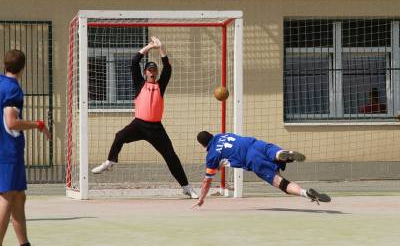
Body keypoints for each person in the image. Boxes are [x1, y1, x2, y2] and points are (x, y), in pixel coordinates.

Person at [91, 36, 198, 198]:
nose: (152, 72)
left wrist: (161, 48)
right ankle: (110, 161)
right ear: (145, 73)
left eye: (154, 70)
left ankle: (186, 187)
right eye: (149, 70)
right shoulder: (139, 84)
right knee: (120, 136)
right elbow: (134, 62)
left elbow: (168, 68)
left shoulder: (160, 86)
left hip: (156, 128)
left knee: (171, 156)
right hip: (139, 124)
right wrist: (148, 47)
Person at [193, 131, 331, 207]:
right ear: (212, 135)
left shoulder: (212, 155)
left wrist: (201, 198)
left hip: (251, 159)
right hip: (255, 143)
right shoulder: (223, 135)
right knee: (274, 153)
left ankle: (305, 193)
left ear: (203, 145)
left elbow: (207, 181)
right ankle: (282, 155)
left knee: (279, 182)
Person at [0, 50, 51, 246]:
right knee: (7, 197)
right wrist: (38, 124)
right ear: (23, 68)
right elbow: (11, 122)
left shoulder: (1, 82)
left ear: (5, 65)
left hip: (6, 149)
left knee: (19, 197)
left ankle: (24, 243)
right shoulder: (13, 90)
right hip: (8, 151)